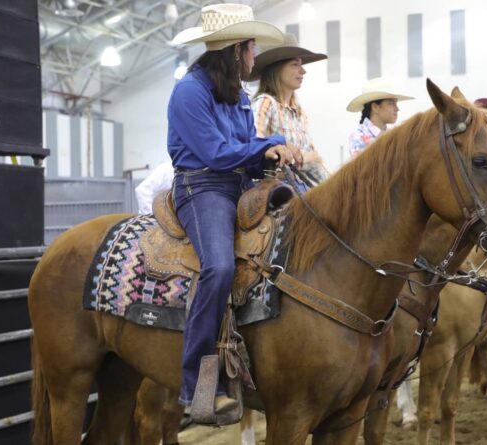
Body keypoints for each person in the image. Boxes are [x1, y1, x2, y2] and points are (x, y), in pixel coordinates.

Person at [168, 3, 298, 412]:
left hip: (238, 184)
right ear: (235, 50)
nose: (255, 56)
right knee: (220, 267)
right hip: (202, 187)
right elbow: (215, 152)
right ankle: (195, 387)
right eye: (251, 47)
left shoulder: (238, 95)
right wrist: (268, 141)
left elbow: (243, 154)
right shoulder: (189, 91)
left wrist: (271, 156)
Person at [249, 33, 329, 184]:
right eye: (295, 64)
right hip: (278, 191)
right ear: (277, 69)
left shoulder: (299, 113)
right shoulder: (265, 104)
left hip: (300, 189)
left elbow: (316, 160)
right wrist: (305, 158)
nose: (302, 71)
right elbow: (255, 149)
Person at [347, 77, 414, 157]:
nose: (397, 109)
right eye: (391, 103)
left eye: (396, 104)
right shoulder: (358, 136)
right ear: (375, 107)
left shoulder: (394, 134)